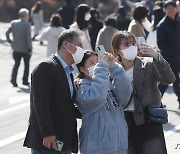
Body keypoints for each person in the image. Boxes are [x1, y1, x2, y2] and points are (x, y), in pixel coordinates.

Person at [111, 31, 175, 154]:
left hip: (149, 120)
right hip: (127, 122)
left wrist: (156, 56)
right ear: (117, 51)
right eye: (126, 44)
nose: (131, 47)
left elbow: (169, 79)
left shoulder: (148, 64)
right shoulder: (114, 71)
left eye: (133, 43)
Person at [23, 29, 84, 154]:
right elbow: (40, 104)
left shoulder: (68, 71)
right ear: (66, 45)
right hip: (49, 141)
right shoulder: (46, 67)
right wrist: (48, 133)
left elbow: (66, 104)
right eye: (79, 46)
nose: (81, 50)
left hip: (63, 139)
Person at [76, 51, 132, 154]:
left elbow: (126, 93)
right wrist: (101, 66)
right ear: (83, 69)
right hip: (98, 148)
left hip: (119, 146)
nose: (96, 65)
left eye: (98, 61)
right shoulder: (82, 88)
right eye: (92, 63)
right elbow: (98, 97)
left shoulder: (107, 83)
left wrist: (113, 66)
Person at [157, 0, 180, 109]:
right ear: (164, 10)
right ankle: (155, 100)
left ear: (176, 8)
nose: (171, 10)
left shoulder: (178, 20)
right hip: (169, 59)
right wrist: (173, 55)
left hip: (178, 56)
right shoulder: (162, 25)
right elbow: (161, 44)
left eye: (172, 7)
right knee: (168, 81)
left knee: (171, 81)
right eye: (168, 8)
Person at [6, 8, 32, 87]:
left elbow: (7, 33)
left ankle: (13, 80)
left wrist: (10, 41)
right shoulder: (27, 25)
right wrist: (30, 49)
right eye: (27, 15)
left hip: (16, 48)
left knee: (16, 65)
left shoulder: (13, 23)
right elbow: (28, 38)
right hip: (25, 49)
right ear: (25, 16)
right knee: (26, 65)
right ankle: (25, 81)